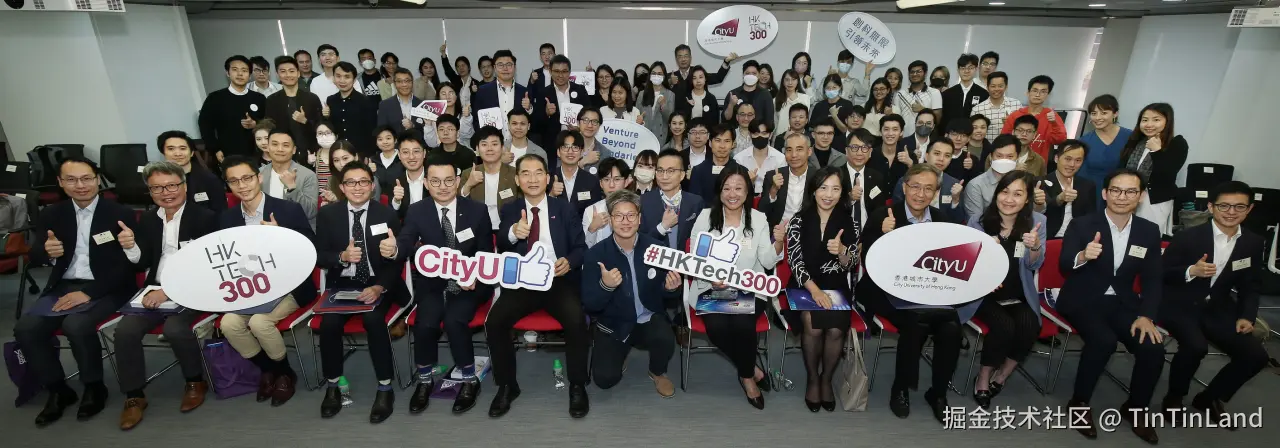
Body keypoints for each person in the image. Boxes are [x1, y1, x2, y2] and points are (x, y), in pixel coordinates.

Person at [17, 156, 138, 426]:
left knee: (76, 324)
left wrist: (89, 293)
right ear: (60, 183)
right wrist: (47, 253)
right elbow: (36, 254)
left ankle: (94, 386)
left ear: (97, 180)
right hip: (64, 285)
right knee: (26, 328)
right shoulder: (52, 214)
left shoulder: (120, 213)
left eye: (86, 178)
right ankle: (58, 390)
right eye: (71, 180)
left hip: (109, 287)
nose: (80, 185)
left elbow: (127, 266)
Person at [857, 163, 977, 423]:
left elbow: (949, 266)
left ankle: (938, 393)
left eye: (928, 189)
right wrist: (882, 236)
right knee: (916, 322)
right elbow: (867, 261)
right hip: (885, 289)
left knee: (951, 328)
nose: (921, 194)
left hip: (928, 292)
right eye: (915, 187)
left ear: (935, 192)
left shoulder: (942, 220)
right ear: (904, 187)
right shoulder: (884, 215)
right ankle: (900, 387)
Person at [380, 154, 494, 416]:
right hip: (433, 282)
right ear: (426, 184)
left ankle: (469, 379)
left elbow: (486, 253)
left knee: (454, 321)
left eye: (448, 180)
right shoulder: (417, 211)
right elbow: (406, 241)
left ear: (458, 181)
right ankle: (424, 380)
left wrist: (474, 275)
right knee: (425, 323)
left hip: (470, 282)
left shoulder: (477, 210)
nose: (443, 187)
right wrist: (395, 248)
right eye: (435, 181)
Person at [1057, 168, 1165, 443]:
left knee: (1152, 347)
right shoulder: (1082, 224)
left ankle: (1136, 407)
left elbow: (1153, 279)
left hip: (1122, 301)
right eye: (1116, 190)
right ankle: (1079, 403)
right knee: (1103, 341)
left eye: (1130, 191)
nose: (1122, 196)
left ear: (1140, 196)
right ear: (1105, 193)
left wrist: (1146, 315)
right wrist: (1083, 255)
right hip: (1083, 299)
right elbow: (1065, 265)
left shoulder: (1148, 231)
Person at [111, 161, 218, 430]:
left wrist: (168, 291)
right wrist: (131, 246)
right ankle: (134, 395)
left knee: (174, 329)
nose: (165, 193)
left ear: (184, 186)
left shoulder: (205, 218)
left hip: (194, 289)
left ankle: (195, 381)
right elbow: (142, 262)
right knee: (124, 331)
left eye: (171, 185)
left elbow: (207, 267)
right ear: (149, 191)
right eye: (157, 188)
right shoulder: (148, 219)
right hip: (154, 289)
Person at [488, 154, 592, 418]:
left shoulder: (564, 209)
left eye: (538, 173)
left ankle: (577, 384)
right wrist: (513, 233)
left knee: (576, 321)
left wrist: (569, 262)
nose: (532, 179)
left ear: (547, 178)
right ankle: (507, 386)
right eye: (525, 173)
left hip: (558, 279)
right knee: (495, 322)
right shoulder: (510, 209)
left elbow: (581, 248)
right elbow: (502, 245)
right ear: (517, 179)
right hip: (523, 281)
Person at [1159, 181, 1267, 427]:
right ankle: (1174, 397)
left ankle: (1209, 398)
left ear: (1249, 209)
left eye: (1239, 207)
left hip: (1217, 307)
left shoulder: (1253, 242)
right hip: (1179, 303)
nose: (1231, 212)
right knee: (1195, 347)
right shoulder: (1188, 237)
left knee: (1255, 356)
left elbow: (1251, 285)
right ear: (1211, 207)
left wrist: (1247, 316)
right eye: (1224, 206)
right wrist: (1191, 271)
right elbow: (1161, 274)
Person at [217, 156, 317, 408]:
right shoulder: (227, 219)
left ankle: (284, 374)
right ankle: (271, 370)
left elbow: (310, 251)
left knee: (260, 323)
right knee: (229, 324)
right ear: (228, 185)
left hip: (290, 286)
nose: (242, 185)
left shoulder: (288, 209)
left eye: (247, 178)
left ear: (259, 177)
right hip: (250, 289)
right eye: (234, 181)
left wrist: (279, 237)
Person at [313, 161, 404, 423]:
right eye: (351, 182)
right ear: (341, 187)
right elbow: (319, 255)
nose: (358, 187)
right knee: (329, 324)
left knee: (373, 320)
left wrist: (379, 287)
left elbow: (396, 260)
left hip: (378, 283)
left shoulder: (386, 214)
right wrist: (341, 257)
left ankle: (385, 387)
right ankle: (333, 385)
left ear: (372, 185)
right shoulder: (328, 215)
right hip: (342, 284)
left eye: (364, 181)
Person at [688, 164, 784, 409]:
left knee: (743, 324)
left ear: (747, 191)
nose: (732, 194)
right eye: (727, 188)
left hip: (749, 289)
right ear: (719, 191)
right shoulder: (705, 217)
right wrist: (711, 276)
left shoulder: (758, 219)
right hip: (711, 288)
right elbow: (696, 258)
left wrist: (778, 243)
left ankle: (747, 378)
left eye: (738, 188)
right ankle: (751, 369)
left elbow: (767, 261)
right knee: (717, 328)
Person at [583, 189, 684, 396]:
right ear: (611, 220)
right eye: (619, 216)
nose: (625, 221)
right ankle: (621, 353)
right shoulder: (596, 254)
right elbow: (591, 304)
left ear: (639, 219)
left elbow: (669, 299)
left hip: (647, 319)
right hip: (614, 324)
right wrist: (606, 286)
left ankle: (657, 372)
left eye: (631, 215)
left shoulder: (657, 248)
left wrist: (671, 289)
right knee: (604, 380)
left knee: (665, 337)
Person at [966, 170, 1047, 408]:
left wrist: (1035, 247)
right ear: (996, 193)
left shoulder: (1037, 222)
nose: (1009, 199)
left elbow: (1034, 265)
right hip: (984, 294)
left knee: (1030, 324)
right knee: (1004, 326)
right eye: (1005, 192)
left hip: (1017, 292)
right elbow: (967, 264)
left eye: (1018, 194)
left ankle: (1002, 375)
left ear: (1027, 198)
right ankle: (983, 376)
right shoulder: (978, 221)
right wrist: (984, 258)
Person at [785, 165, 859, 412]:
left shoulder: (849, 222)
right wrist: (815, 291)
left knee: (836, 329)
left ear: (842, 193)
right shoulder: (798, 220)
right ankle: (812, 379)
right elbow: (795, 262)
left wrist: (842, 251)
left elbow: (851, 263)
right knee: (812, 324)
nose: (829, 194)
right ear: (813, 190)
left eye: (835, 189)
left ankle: (826, 379)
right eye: (823, 188)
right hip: (804, 284)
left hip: (836, 285)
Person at [1118, 103, 1187, 236]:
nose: (1149, 124)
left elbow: (1167, 174)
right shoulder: (1136, 141)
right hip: (1128, 195)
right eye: (1145, 120)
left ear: (1167, 122)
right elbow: (1121, 168)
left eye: (1156, 120)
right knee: (1124, 233)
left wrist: (1157, 151)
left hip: (1154, 200)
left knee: (1146, 236)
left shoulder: (1177, 143)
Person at [199, 55, 267, 163]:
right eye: (235, 70)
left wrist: (255, 124)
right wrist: (215, 149)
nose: (240, 74)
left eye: (244, 70)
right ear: (227, 73)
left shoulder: (259, 98)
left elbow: (268, 123)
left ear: (250, 75)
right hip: (227, 154)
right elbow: (205, 126)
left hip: (257, 153)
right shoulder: (215, 98)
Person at [640, 148, 706, 250]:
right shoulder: (643, 202)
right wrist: (662, 228)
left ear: (682, 175)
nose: (664, 176)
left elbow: (702, 239)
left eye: (670, 171)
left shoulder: (695, 202)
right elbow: (638, 242)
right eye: (660, 171)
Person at [459, 126, 519, 231]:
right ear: (477, 149)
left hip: (508, 229)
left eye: (494, 144)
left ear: (502, 148)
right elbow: (459, 206)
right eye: (484, 144)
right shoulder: (468, 174)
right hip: (478, 229)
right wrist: (468, 185)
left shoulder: (514, 174)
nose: (489, 148)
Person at [892, 140, 967, 223]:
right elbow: (895, 212)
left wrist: (955, 200)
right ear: (926, 156)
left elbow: (958, 221)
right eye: (937, 153)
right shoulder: (906, 180)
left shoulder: (954, 184)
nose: (941, 159)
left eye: (947, 155)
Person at [258, 130, 319, 230]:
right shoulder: (259, 174)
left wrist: (292, 188)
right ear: (268, 147)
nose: (280, 149)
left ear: (294, 150)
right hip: (265, 229)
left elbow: (310, 212)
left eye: (285, 145)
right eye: (275, 144)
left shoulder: (307, 175)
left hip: (297, 232)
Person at [265, 56, 323, 159]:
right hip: (282, 153)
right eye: (283, 71)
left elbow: (321, 126)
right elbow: (269, 129)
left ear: (298, 73)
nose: (288, 75)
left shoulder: (312, 98)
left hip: (310, 153)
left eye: (291, 71)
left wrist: (305, 121)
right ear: (277, 74)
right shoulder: (272, 100)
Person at [157, 130, 227, 213]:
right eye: (171, 149)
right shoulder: (158, 180)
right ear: (163, 153)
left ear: (192, 153)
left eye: (182, 148)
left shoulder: (209, 179)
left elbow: (221, 212)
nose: (177, 154)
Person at [1000, 75, 1066, 160]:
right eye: (1035, 90)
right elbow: (1003, 140)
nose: (1038, 95)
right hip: (1014, 163)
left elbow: (1061, 140)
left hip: (1038, 165)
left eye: (1043, 92)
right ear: (1028, 92)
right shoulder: (1015, 115)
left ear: (1048, 95)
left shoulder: (1052, 116)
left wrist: (1054, 123)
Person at [533, 54, 592, 150]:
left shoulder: (580, 90)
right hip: (553, 146)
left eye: (564, 71)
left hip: (578, 143)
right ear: (550, 71)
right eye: (556, 71)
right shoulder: (543, 93)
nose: (560, 75)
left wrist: (580, 128)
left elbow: (589, 115)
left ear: (569, 72)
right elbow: (535, 125)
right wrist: (546, 113)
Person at [1041, 140, 1097, 238]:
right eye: (1068, 159)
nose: (1072, 164)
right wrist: (1059, 199)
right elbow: (1041, 211)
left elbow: (1090, 217)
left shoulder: (1087, 186)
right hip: (1047, 238)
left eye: (1078, 160)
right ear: (1056, 158)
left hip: (1076, 238)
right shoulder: (1040, 182)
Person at [759, 133, 815, 228]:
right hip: (778, 230)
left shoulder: (817, 177)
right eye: (789, 150)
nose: (794, 155)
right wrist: (773, 190)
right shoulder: (773, 176)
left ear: (809, 151)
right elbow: (762, 211)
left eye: (799, 149)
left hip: (807, 231)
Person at [838, 128, 889, 231]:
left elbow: (880, 210)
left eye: (864, 148)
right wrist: (850, 199)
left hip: (870, 232)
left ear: (870, 152)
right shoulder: (836, 176)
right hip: (842, 232)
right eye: (854, 147)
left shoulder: (877, 177)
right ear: (846, 151)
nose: (859, 153)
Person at [1077, 94, 1131, 189]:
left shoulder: (1130, 137)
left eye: (1104, 113)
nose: (1097, 118)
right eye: (1094, 113)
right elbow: (1080, 174)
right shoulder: (1084, 141)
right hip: (1092, 190)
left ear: (1115, 114)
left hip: (1122, 190)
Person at [471, 50, 533, 133]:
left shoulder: (524, 92)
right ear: (494, 68)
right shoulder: (482, 92)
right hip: (492, 140)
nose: (505, 68)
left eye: (509, 64)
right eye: (500, 65)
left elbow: (532, 123)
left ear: (515, 67)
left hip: (517, 140)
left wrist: (529, 109)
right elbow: (477, 120)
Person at [325, 61, 378, 157]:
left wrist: (368, 155)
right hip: (338, 153)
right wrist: (326, 117)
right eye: (338, 76)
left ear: (354, 80)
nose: (342, 81)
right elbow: (330, 129)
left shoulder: (365, 101)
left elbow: (372, 131)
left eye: (347, 77)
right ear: (333, 78)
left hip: (360, 153)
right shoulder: (331, 100)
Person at [964, 135, 1020, 218]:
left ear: (1017, 158)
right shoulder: (976, 185)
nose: (1004, 160)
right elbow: (975, 221)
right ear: (991, 157)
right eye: (999, 156)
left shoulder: (1023, 182)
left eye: (1010, 157)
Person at [549, 130, 603, 213]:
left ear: (581, 152)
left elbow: (595, 212)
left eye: (575, 147)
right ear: (558, 152)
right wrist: (551, 195)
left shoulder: (592, 181)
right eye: (565, 147)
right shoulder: (548, 178)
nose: (570, 152)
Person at [583, 158, 632, 247]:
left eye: (617, 179)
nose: (611, 185)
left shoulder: (635, 208)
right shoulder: (590, 211)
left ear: (626, 182)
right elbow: (586, 248)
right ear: (601, 183)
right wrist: (592, 228)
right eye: (606, 180)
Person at [733, 119, 787, 195]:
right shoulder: (739, 159)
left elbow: (782, 187)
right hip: (746, 198)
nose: (760, 137)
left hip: (771, 198)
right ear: (750, 134)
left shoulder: (780, 158)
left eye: (764, 133)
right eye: (756, 133)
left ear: (770, 135)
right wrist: (748, 183)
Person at [688, 124, 740, 200]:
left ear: (733, 144)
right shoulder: (698, 171)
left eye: (727, 141)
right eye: (718, 140)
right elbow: (694, 202)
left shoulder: (740, 170)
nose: (722, 146)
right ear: (710, 143)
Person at [894, 60, 943, 137]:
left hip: (927, 138)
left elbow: (938, 119)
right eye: (912, 72)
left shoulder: (935, 92)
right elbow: (896, 119)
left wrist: (923, 110)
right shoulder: (900, 94)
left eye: (918, 71)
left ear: (925, 73)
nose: (915, 74)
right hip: (904, 138)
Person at [940, 53, 989, 129]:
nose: (966, 71)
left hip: (973, 133)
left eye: (970, 68)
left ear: (976, 69)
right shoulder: (947, 94)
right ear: (958, 70)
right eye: (963, 68)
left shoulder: (984, 94)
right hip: (952, 133)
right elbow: (943, 119)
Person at [970, 72, 1021, 143]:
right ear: (987, 87)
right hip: (988, 148)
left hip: (1011, 147)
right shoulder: (977, 109)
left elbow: (1023, 128)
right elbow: (971, 132)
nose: (996, 89)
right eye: (993, 86)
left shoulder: (1016, 104)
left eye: (1000, 86)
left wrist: (1011, 123)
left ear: (1006, 87)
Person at [722, 60, 775, 129]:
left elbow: (769, 120)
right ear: (743, 75)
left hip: (757, 133)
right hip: (736, 133)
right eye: (747, 73)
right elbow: (726, 118)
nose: (750, 76)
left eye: (754, 73)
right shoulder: (733, 94)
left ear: (758, 76)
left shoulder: (765, 95)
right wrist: (731, 104)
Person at [391, 131, 430, 221]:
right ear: (399, 155)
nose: (411, 157)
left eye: (416, 151)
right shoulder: (395, 182)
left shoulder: (435, 179)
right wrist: (397, 201)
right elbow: (392, 216)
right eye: (405, 152)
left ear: (424, 153)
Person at [811, 74, 856, 146]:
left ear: (840, 87)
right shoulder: (819, 105)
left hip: (841, 143)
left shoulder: (847, 105)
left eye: (834, 87)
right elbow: (813, 128)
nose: (831, 90)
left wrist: (835, 117)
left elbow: (846, 131)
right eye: (828, 88)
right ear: (824, 89)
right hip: (821, 143)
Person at [867, 114, 909, 188]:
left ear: (901, 132)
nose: (890, 133)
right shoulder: (870, 154)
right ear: (880, 131)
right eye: (886, 129)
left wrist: (910, 164)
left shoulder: (909, 156)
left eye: (895, 129)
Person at [376, 68, 421, 135]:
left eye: (407, 81)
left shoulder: (422, 104)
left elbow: (426, 131)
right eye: (399, 81)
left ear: (412, 82)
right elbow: (382, 132)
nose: (404, 84)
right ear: (394, 84)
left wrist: (413, 126)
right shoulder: (384, 105)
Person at [639, 61, 675, 143]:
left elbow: (670, 119)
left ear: (664, 76)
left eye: (659, 74)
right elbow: (637, 115)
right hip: (644, 136)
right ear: (650, 75)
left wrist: (663, 105)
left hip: (661, 138)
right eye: (653, 73)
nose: (656, 76)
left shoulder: (670, 94)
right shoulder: (642, 94)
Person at [439, 42, 481, 107]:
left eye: (463, 65)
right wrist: (443, 53)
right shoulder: (455, 80)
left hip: (472, 112)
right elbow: (448, 69)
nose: (461, 68)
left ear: (468, 67)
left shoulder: (475, 83)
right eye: (458, 66)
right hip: (458, 112)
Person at [774, 69, 812, 136]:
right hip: (780, 137)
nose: (790, 83)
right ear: (783, 82)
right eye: (787, 80)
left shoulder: (805, 98)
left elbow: (804, 119)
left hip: (799, 137)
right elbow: (775, 122)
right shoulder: (775, 100)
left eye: (793, 79)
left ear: (798, 81)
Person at [369, 126, 403, 190]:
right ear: (376, 143)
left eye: (388, 138)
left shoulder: (403, 158)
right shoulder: (372, 160)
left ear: (395, 140)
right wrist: (369, 172)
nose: (385, 142)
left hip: (401, 194)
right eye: (380, 139)